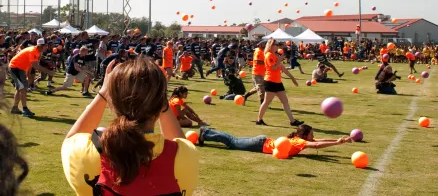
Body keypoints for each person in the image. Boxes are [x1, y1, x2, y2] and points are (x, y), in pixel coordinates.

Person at [61, 57, 199, 195]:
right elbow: (180, 145)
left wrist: (103, 94)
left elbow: (72, 138)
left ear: (112, 102)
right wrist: (161, 99)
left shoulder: (85, 153)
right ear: (160, 104)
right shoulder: (183, 156)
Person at [198, 124, 352, 156]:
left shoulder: (300, 139)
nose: (314, 136)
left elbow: (320, 140)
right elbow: (317, 144)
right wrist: (337, 143)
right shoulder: (300, 142)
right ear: (305, 135)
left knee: (233, 140)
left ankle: (208, 132)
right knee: (232, 142)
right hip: (260, 145)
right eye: (312, 133)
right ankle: (206, 133)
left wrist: (339, 140)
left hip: (262, 142)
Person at [256, 39, 304, 127]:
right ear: (271, 46)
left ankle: (292, 121)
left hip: (277, 82)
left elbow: (283, 68)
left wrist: (292, 78)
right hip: (270, 82)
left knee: (285, 101)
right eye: (275, 45)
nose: (277, 46)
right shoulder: (268, 55)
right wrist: (279, 60)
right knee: (266, 102)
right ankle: (259, 120)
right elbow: (274, 67)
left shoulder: (275, 55)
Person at [8, 38, 54, 117]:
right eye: (46, 45)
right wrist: (48, 72)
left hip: (19, 68)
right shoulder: (33, 51)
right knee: (23, 89)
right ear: (40, 46)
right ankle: (25, 109)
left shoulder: (37, 52)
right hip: (15, 67)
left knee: (20, 89)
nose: (47, 47)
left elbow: (30, 64)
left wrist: (27, 75)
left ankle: (15, 108)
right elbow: (35, 66)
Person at [244, 40, 266, 104]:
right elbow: (257, 61)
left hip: (260, 72)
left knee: (257, 88)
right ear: (260, 44)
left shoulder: (261, 51)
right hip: (257, 73)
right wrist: (267, 63)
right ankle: (262, 104)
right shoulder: (258, 51)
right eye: (264, 43)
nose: (265, 44)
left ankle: (245, 97)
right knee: (261, 90)